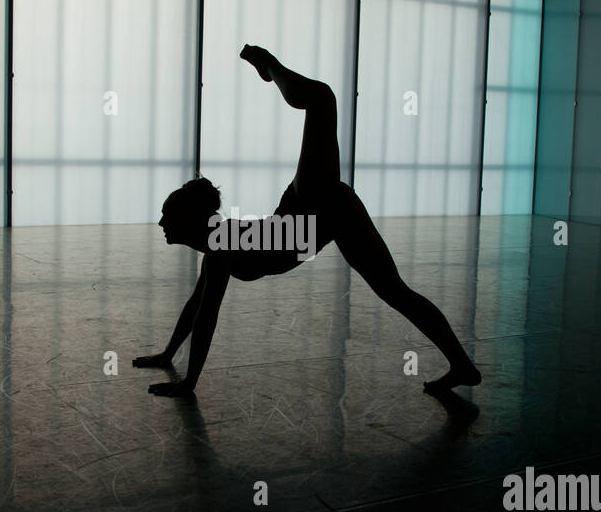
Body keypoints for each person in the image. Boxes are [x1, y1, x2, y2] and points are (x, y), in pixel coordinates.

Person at [135, 45, 483, 397]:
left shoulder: (222, 245)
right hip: (323, 216)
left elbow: (208, 315)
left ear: (192, 217)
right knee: (396, 292)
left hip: (310, 208)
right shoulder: (216, 250)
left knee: (321, 98)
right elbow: (197, 306)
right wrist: (167, 355)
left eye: (167, 213)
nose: (161, 221)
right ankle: (463, 366)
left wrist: (189, 383)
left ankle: (270, 66)